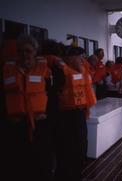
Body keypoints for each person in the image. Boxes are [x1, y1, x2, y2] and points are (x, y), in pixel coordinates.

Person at [1, 35, 53, 181]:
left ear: (35, 52)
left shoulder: (45, 71)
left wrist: (47, 115)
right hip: (16, 125)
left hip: (39, 124)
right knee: (18, 164)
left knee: (42, 162)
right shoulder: (7, 70)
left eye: (28, 51)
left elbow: (52, 97)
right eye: (20, 51)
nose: (24, 55)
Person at [51, 46, 96, 181]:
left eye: (83, 56)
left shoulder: (81, 71)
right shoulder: (60, 72)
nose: (83, 59)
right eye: (80, 57)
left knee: (80, 149)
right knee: (66, 152)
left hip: (79, 115)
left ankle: (77, 175)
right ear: (70, 58)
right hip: (65, 117)